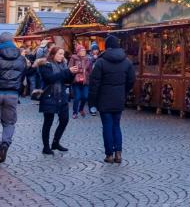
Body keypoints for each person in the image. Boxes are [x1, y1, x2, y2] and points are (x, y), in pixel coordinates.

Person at [88, 35, 135, 164]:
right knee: (116, 125)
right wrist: (123, 91)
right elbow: (131, 80)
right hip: (119, 97)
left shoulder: (101, 62)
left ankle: (109, 155)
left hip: (104, 98)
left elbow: (94, 83)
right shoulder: (127, 62)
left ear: (107, 46)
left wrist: (92, 101)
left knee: (107, 126)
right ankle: (118, 153)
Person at [0, 32, 28, 164]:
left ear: (0, 42)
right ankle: (5, 144)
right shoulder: (21, 58)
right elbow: (23, 76)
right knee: (9, 123)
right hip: (12, 94)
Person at [39, 46, 77, 155]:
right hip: (49, 96)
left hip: (62, 95)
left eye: (63, 54)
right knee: (48, 122)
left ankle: (55, 142)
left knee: (64, 120)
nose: (62, 56)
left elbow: (66, 81)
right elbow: (50, 79)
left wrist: (71, 74)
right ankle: (46, 147)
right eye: (60, 54)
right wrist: (66, 72)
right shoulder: (45, 64)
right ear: (53, 54)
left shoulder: (63, 64)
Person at [68, 46, 92, 118]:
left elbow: (90, 70)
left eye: (84, 50)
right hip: (76, 81)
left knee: (85, 96)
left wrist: (87, 75)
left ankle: (81, 109)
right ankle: (75, 112)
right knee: (77, 97)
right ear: (78, 51)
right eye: (81, 50)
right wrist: (77, 72)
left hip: (85, 81)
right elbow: (69, 69)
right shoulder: (73, 58)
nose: (83, 52)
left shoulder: (88, 59)